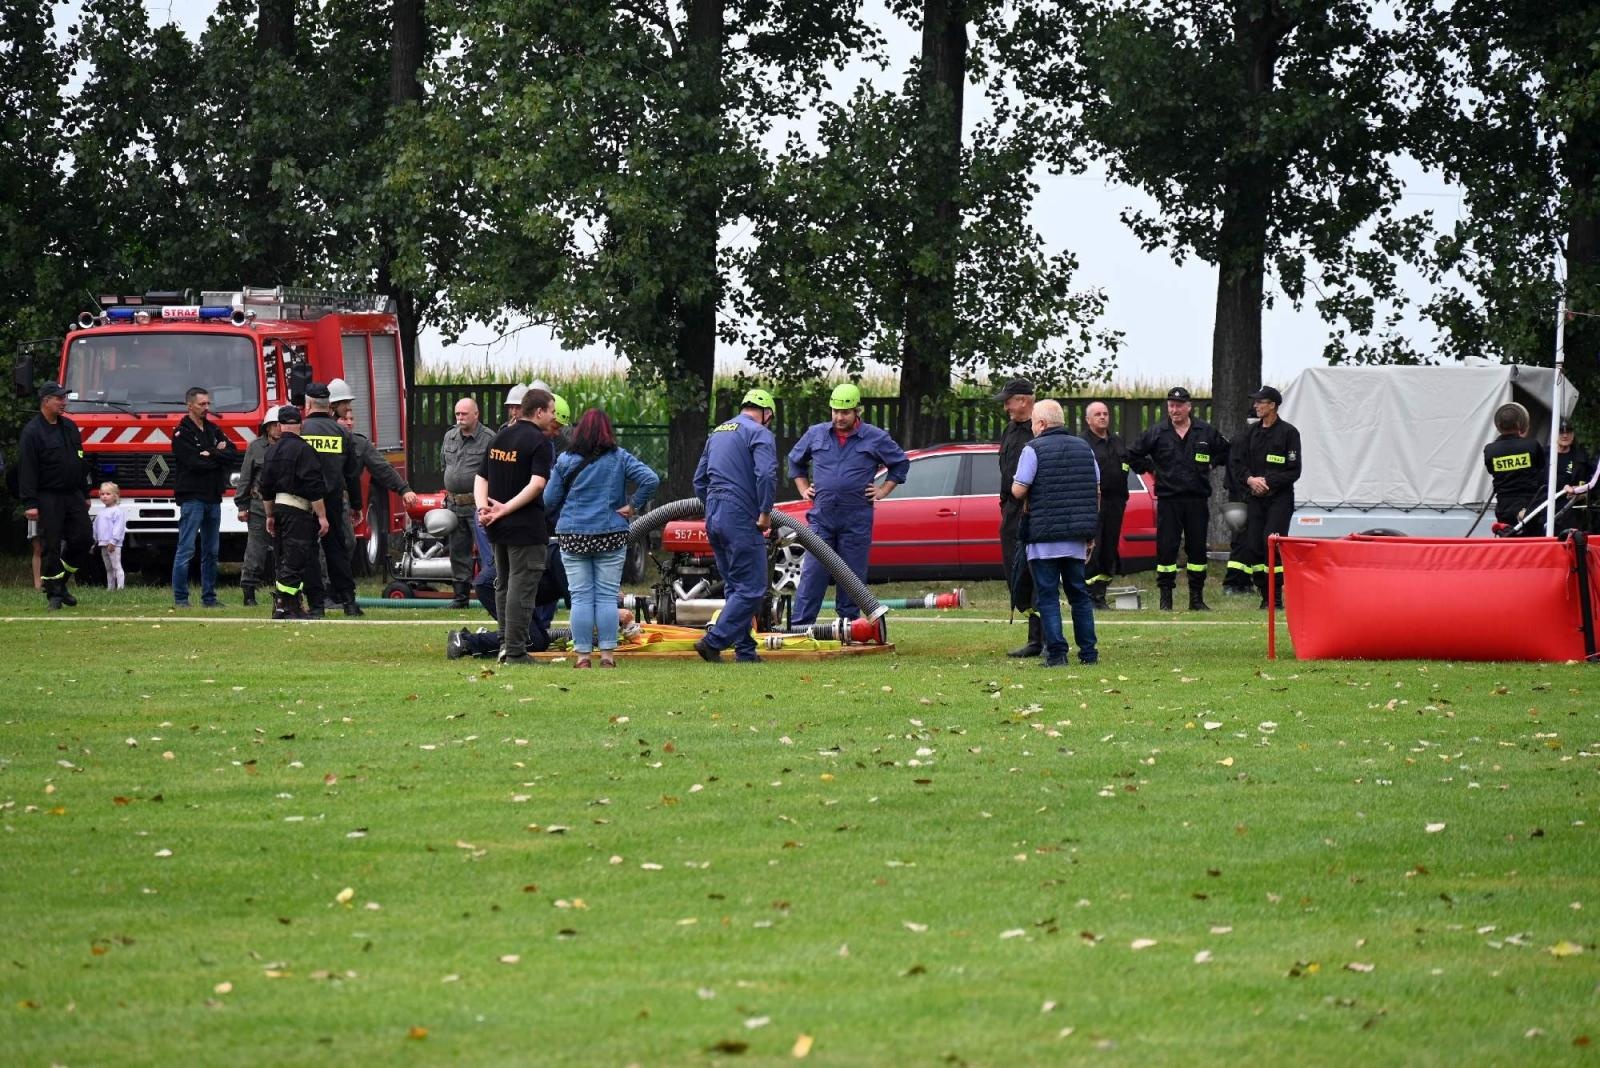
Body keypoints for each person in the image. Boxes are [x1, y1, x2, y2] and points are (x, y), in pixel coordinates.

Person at [544, 409, 661, 668]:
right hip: (611, 533)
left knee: (581, 597)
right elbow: (650, 479)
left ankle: (583, 657)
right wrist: (633, 506)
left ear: (579, 431)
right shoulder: (619, 458)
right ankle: (607, 657)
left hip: (574, 535)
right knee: (607, 597)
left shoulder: (565, 460)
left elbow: (549, 500)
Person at [786, 383, 908, 626]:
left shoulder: (875, 437)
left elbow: (900, 463)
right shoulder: (816, 433)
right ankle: (799, 627)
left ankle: (849, 627)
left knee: (851, 575)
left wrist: (883, 490)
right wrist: (802, 488)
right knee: (813, 573)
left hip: (856, 518)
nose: (839, 417)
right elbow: (794, 461)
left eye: (845, 412)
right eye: (835, 411)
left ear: (857, 412)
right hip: (822, 517)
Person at [692, 388, 778, 663]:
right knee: (752, 588)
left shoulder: (717, 432)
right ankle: (713, 641)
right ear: (767, 414)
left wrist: (715, 507)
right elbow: (765, 473)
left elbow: (699, 480)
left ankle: (745, 651)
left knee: (734, 585)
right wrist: (764, 512)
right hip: (740, 514)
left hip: (714, 514)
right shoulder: (759, 433)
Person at [1011, 400, 1099, 666]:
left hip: (1043, 537)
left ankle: (1057, 654)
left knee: (1048, 597)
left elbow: (1018, 489)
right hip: (1075, 537)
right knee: (1079, 596)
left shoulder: (1033, 449)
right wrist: (1090, 532)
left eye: (1033, 424)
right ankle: (1089, 653)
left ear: (1041, 424)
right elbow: (1096, 490)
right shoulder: (1085, 448)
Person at [1127, 386, 1230, 611]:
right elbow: (1132, 454)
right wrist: (1152, 469)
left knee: (1197, 550)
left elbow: (1226, 451)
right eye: (1171, 406)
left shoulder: (1204, 431)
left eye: (1179, 406)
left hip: (1196, 500)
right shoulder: (1157, 432)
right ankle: (1166, 599)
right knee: (1167, 549)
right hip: (1168, 499)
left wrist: (1211, 463)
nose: (1175, 410)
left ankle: (1196, 598)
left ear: (1188, 407)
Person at [476, 387, 556, 665]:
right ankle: (515, 651)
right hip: (525, 528)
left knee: (503, 585)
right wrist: (505, 508)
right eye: (552, 412)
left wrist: (483, 509)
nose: (553, 417)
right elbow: (537, 484)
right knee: (520, 589)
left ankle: (502, 644)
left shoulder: (500, 437)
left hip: (497, 528)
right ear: (539, 412)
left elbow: (480, 478)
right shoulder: (539, 442)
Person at [19, 383, 94, 610]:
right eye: (60, 399)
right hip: (47, 496)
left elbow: (80, 460)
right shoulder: (32, 432)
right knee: (51, 544)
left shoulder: (70, 427)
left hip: (73, 494)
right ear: (46, 401)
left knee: (83, 539)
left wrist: (85, 492)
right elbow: (27, 469)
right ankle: (54, 595)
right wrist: (30, 502)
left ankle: (60, 583)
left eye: (64, 398)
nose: (64, 403)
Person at [1227, 386, 1302, 608]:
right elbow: (1237, 464)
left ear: (1273, 405)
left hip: (1279, 500)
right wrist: (1250, 480)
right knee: (1253, 546)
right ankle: (1264, 593)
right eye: (1256, 402)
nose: (1256, 406)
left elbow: (1293, 470)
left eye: (1261, 402)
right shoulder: (1250, 434)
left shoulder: (1289, 433)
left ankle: (1275, 597)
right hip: (1255, 499)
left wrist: (1268, 482)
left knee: (1272, 543)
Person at [258, 405, 330, 619]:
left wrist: (270, 516)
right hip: (298, 511)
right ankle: (285, 606)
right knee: (294, 559)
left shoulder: (271, 451)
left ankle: (296, 605)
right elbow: (313, 487)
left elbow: (266, 488)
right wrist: (323, 516)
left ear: (279, 426)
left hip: (278, 509)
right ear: (301, 425)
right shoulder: (305, 450)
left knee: (287, 558)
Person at [170, 386, 238, 608]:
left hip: (213, 497)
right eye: (202, 404)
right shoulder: (182, 433)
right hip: (192, 498)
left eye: (208, 403)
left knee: (211, 551)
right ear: (189, 405)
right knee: (186, 549)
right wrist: (214, 456)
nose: (206, 407)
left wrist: (213, 453)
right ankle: (181, 598)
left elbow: (232, 452)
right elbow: (194, 463)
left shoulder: (213, 429)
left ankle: (209, 597)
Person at [301, 383, 363, 615]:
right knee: (337, 552)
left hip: (306, 503)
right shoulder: (342, 433)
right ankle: (349, 602)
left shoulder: (301, 431)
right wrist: (356, 505)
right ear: (329, 405)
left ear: (308, 405)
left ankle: (317, 606)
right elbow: (352, 474)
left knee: (309, 554)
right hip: (334, 501)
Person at [336, 405, 420, 566]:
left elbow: (382, 468)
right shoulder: (320, 438)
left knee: (347, 542)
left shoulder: (359, 444)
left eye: (351, 419)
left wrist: (403, 489)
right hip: (317, 500)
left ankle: (334, 583)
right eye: (344, 419)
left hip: (342, 502)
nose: (349, 423)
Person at [996, 378, 1041, 655]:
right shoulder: (1010, 430)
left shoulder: (1038, 430)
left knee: (1035, 575)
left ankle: (1041, 639)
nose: (1006, 407)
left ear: (1024, 400)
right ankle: (1034, 635)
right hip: (1011, 512)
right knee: (1015, 575)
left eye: (1009, 401)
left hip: (1031, 512)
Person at [442, 397, 496, 607]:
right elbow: (443, 464)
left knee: (487, 551)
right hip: (454, 505)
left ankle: (490, 593)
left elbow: (495, 472)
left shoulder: (489, 438)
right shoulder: (449, 437)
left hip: (478, 505)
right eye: (457, 414)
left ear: (476, 414)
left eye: (464, 414)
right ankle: (460, 597)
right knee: (457, 551)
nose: (460, 417)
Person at [1079, 400, 1130, 609]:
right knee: (1093, 549)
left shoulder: (1117, 442)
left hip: (1115, 503)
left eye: (1105, 413)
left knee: (1109, 549)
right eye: (1098, 414)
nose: (1103, 417)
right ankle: (1088, 596)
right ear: (1088, 419)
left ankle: (1101, 594)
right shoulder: (1082, 444)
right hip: (1092, 504)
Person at [235, 408, 283, 606]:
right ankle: (249, 592)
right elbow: (246, 477)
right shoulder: (255, 447)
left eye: (281, 425)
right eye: (274, 425)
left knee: (285, 551)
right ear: (267, 427)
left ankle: (284, 592)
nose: (278, 429)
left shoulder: (290, 446)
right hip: (258, 506)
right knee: (256, 551)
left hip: (284, 505)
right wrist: (242, 505)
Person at [1484, 402, 1546, 536]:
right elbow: (1542, 468)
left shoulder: (1490, 450)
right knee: (1532, 546)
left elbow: (1491, 470)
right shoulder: (1532, 445)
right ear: (1519, 424)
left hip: (1504, 507)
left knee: (1509, 546)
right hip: (1529, 506)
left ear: (1499, 426)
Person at [1555, 418, 1592, 535]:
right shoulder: (1545, 455)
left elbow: (1589, 485)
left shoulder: (1581, 457)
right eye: (1561, 431)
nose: (1565, 435)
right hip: (1547, 510)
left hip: (1572, 513)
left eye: (1569, 431)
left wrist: (1579, 492)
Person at [94, 482, 127, 590]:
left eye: (108, 494)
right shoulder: (101, 512)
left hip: (113, 544)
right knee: (108, 568)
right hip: (102, 543)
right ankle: (110, 588)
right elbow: (96, 527)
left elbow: (118, 528)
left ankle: (120, 587)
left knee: (116, 566)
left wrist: (113, 541)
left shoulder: (117, 512)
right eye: (102, 494)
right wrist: (94, 540)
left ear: (115, 495)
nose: (104, 496)